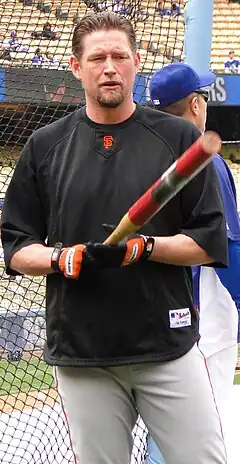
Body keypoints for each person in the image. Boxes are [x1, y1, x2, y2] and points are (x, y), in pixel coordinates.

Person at [1, 12, 228, 464]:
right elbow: (17, 247)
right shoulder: (45, 147)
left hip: (166, 347)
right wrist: (60, 258)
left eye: (119, 56)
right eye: (98, 57)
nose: (110, 67)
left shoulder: (180, 137)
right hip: (84, 354)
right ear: (75, 66)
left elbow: (206, 242)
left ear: (137, 62)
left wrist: (145, 248)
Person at [147, 61, 240, 464]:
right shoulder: (206, 159)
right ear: (197, 105)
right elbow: (228, 245)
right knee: (214, 421)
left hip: (160, 311)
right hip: (207, 309)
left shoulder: (146, 158)